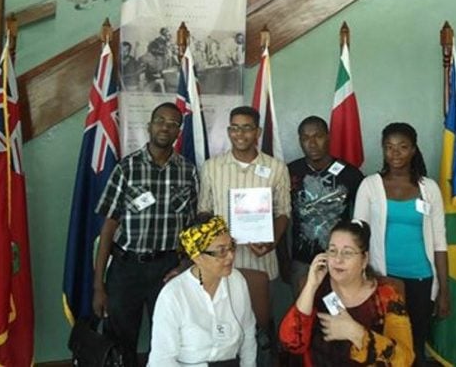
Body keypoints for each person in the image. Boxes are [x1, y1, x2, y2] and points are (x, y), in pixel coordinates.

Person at [93, 102, 199, 367]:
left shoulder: (188, 172)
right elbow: (108, 228)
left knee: (168, 337)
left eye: (173, 123)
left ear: (179, 132)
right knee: (120, 340)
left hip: (168, 269)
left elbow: (192, 226)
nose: (166, 126)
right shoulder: (126, 168)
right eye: (160, 120)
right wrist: (98, 286)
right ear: (149, 126)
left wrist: (185, 264)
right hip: (126, 268)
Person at [198, 106, 291, 361]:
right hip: (221, 265)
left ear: (258, 132)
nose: (240, 133)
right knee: (224, 329)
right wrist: (218, 241)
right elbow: (203, 212)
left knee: (260, 330)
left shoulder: (276, 168)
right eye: (235, 127)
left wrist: (272, 240)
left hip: (262, 262)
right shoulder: (211, 168)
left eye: (247, 127)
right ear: (229, 131)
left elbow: (283, 211)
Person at [354, 122, 449, 367]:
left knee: (414, 344)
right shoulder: (370, 186)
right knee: (382, 343)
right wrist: (362, 276)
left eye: (402, 147)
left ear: (414, 150)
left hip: (421, 279)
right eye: (389, 147)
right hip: (382, 278)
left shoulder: (429, 189)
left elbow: (439, 242)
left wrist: (444, 291)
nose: (395, 153)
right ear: (383, 150)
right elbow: (358, 235)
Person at [279, 219, 414, 366]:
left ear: (364, 260)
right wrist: (311, 286)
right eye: (332, 251)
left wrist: (356, 333)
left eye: (347, 253)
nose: (338, 259)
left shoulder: (386, 294)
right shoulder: (317, 288)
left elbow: (404, 360)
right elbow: (291, 344)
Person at [149, 213, 257, 366]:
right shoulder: (173, 295)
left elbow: (248, 334)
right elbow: (162, 360)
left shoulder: (237, 281)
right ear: (197, 257)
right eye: (221, 251)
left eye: (231, 247)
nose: (230, 256)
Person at [288, 116, 364, 291]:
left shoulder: (350, 174)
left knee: (337, 313)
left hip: (340, 260)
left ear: (328, 137)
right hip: (302, 261)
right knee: (304, 313)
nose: (312, 143)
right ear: (300, 141)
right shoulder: (290, 171)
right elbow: (280, 215)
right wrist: (284, 259)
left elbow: (362, 220)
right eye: (305, 138)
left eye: (318, 136)